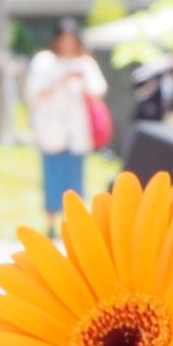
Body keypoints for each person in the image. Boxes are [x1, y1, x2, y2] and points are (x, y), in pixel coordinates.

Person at [24, 20, 107, 235]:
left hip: (77, 131)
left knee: (74, 179)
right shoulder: (45, 62)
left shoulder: (85, 63)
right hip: (51, 129)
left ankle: (73, 224)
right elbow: (35, 93)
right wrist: (62, 77)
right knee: (52, 176)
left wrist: (81, 77)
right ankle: (51, 221)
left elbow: (98, 92)